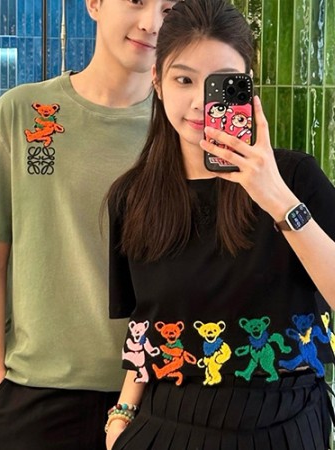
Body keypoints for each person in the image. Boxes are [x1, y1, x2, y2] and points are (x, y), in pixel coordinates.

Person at [0, 0, 176, 449]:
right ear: (95, 4)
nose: (151, 23)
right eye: (137, 2)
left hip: (159, 397)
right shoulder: (20, 112)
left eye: (170, 9)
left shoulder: (183, 129)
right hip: (36, 396)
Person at [105, 0, 335, 448]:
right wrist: (121, 416)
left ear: (247, 87)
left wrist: (276, 198)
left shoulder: (295, 179)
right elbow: (146, 323)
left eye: (221, 83)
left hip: (284, 423)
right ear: (157, 82)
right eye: (184, 79)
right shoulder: (133, 197)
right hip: (168, 424)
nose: (200, 102)